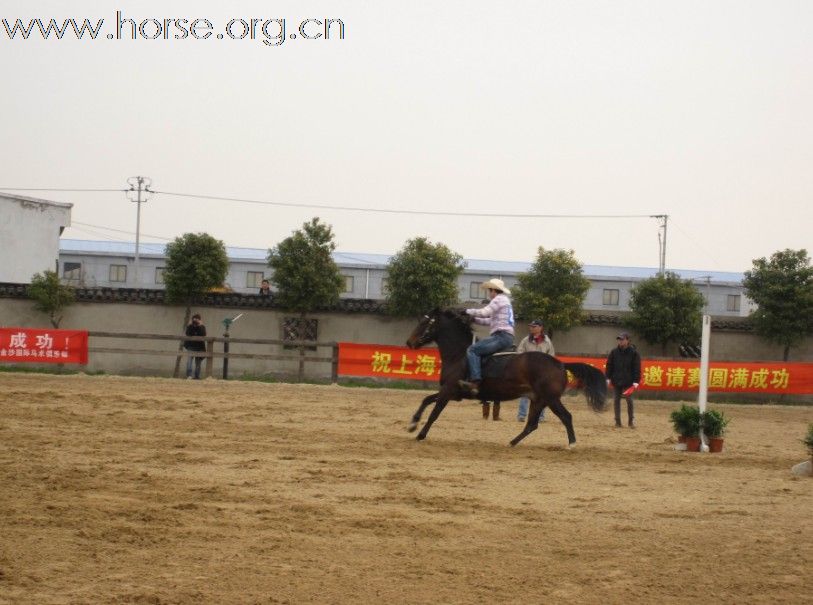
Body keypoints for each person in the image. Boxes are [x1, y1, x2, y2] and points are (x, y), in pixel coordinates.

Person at [458, 278, 515, 397]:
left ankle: (475, 381)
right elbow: (489, 321)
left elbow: (484, 312)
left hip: (501, 336)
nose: (489, 293)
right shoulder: (505, 301)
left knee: (472, 350)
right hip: (506, 337)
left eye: (489, 291)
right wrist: (473, 319)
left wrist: (466, 311)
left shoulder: (498, 299)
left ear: (494, 290)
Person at [516, 319, 555, 422]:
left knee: (542, 395)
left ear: (540, 328)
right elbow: (519, 353)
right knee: (525, 393)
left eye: (534, 326)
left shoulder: (547, 341)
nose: (531, 328)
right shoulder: (525, 340)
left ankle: (540, 417)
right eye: (531, 326)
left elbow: (551, 356)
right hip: (528, 371)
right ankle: (521, 415)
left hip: (542, 372)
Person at [605, 331, 641, 428]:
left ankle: (630, 421)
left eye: (622, 339)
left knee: (629, 400)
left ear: (627, 340)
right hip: (616, 380)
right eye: (619, 339)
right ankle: (617, 422)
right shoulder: (614, 352)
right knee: (616, 400)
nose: (620, 341)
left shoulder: (634, 353)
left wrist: (636, 381)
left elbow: (637, 368)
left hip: (628, 382)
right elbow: (609, 365)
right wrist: (607, 377)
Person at [184, 313, 207, 380]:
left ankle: (197, 376)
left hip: (200, 347)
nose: (195, 321)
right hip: (191, 346)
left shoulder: (202, 327)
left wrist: (200, 325)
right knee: (189, 361)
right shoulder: (190, 326)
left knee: (198, 362)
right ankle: (189, 375)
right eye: (194, 319)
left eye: (197, 320)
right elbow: (188, 333)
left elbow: (203, 334)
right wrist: (190, 325)